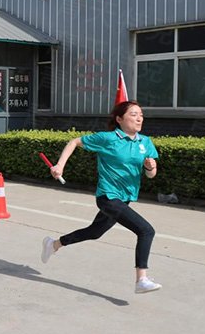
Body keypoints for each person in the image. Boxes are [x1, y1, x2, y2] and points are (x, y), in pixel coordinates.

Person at [41, 100, 162, 294]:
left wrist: (150, 167)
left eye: (141, 115)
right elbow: (74, 142)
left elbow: (151, 174)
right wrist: (60, 166)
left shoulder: (145, 142)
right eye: (133, 114)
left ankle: (54, 244)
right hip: (108, 196)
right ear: (119, 119)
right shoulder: (108, 138)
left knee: (95, 232)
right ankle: (141, 279)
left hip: (125, 197)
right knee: (146, 231)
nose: (139, 118)